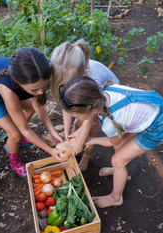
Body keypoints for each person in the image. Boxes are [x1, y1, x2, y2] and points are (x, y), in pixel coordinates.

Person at [59, 76, 163, 208]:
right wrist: (77, 135)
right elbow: (90, 119)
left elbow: (112, 141)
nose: (77, 118)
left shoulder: (110, 123)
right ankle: (118, 170)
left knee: (117, 160)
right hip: (152, 109)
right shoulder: (103, 94)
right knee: (120, 147)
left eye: (77, 116)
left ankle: (116, 197)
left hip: (158, 127)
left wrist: (91, 141)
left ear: (92, 110)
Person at [0, 47, 66, 178]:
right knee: (14, 134)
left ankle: (16, 135)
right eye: (35, 90)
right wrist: (50, 150)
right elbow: (26, 130)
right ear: (20, 83)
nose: (41, 92)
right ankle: (14, 161)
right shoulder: (9, 91)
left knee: (29, 109)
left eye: (44, 87)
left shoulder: (35, 76)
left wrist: (53, 132)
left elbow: (39, 107)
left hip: (0, 85)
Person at [50, 40, 119, 171]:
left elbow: (90, 120)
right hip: (86, 97)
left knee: (90, 128)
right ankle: (76, 146)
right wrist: (67, 132)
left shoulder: (93, 81)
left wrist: (80, 141)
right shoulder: (69, 74)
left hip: (104, 97)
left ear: (83, 74)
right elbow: (66, 105)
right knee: (77, 125)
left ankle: (86, 157)